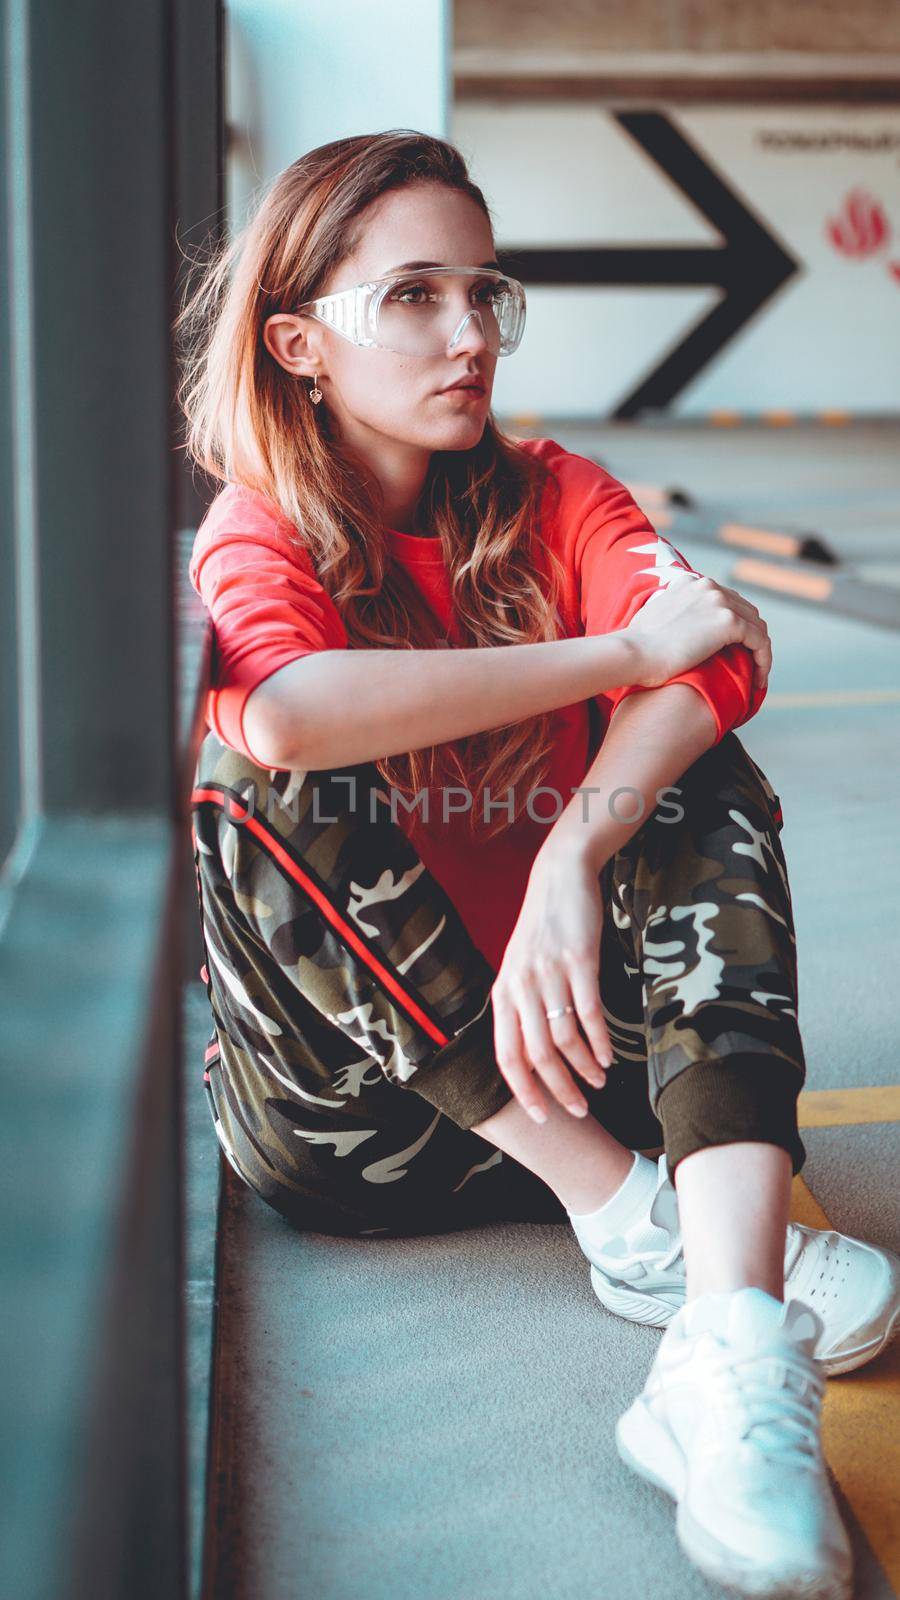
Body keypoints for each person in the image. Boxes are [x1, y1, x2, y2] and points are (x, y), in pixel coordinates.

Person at [175, 129, 898, 1600]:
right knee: (255, 774)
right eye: (416, 296)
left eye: (486, 293)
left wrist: (579, 845)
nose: (468, 334)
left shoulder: (555, 494)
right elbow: (294, 712)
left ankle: (727, 1339)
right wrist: (623, 653)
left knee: (700, 772)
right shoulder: (258, 535)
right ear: (299, 342)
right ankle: (627, 1218)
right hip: (362, 1125)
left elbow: (726, 655)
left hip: (591, 1040)